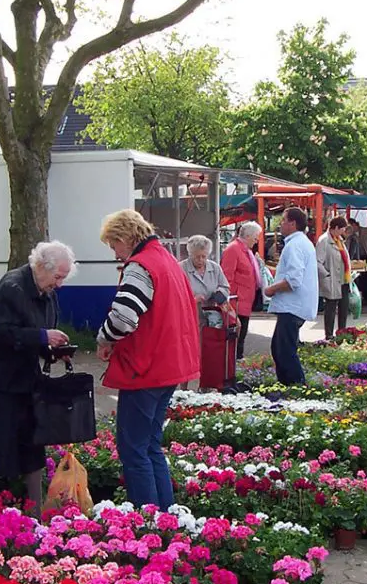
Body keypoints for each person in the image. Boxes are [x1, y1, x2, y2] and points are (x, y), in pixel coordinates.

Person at [96, 209, 199, 511]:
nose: (115, 252)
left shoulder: (140, 266)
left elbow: (124, 317)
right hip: (169, 366)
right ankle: (165, 515)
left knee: (133, 450)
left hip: (146, 369)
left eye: (114, 244)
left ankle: (147, 519)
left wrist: (104, 338)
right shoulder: (166, 260)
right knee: (151, 446)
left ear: (126, 238)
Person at [0, 240, 77, 513]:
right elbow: (0, 331)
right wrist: (41, 337)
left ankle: (35, 509)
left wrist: (53, 350)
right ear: (41, 267)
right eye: (58, 277)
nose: (60, 285)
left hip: (23, 374)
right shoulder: (12, 287)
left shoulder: (47, 290)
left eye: (63, 278)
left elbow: (41, 332)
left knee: (31, 439)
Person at [264, 207, 319, 385]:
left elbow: (293, 280)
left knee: (284, 350)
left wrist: (271, 289)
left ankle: (296, 386)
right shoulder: (302, 242)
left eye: (283, 220)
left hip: (292, 307)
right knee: (280, 348)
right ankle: (290, 385)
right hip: (296, 306)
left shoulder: (294, 245)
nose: (280, 224)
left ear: (293, 223)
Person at [221, 221, 262, 359]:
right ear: (248, 236)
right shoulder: (233, 249)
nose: (256, 241)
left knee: (241, 337)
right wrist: (229, 304)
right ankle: (234, 367)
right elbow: (227, 278)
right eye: (256, 237)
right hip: (236, 302)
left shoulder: (246, 250)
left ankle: (237, 365)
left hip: (244, 301)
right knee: (236, 338)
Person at [180, 235, 231, 327]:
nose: (201, 260)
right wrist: (194, 300)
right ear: (190, 254)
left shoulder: (215, 267)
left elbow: (225, 287)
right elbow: (176, 294)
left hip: (212, 315)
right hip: (189, 316)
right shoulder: (181, 268)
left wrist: (219, 294)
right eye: (197, 257)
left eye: (204, 256)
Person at [316, 216, 351, 339]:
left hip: (343, 280)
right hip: (332, 279)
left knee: (344, 307)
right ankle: (329, 335)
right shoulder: (324, 241)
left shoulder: (339, 240)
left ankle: (342, 333)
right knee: (330, 307)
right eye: (342, 229)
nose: (343, 232)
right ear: (335, 228)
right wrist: (326, 275)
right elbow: (317, 262)